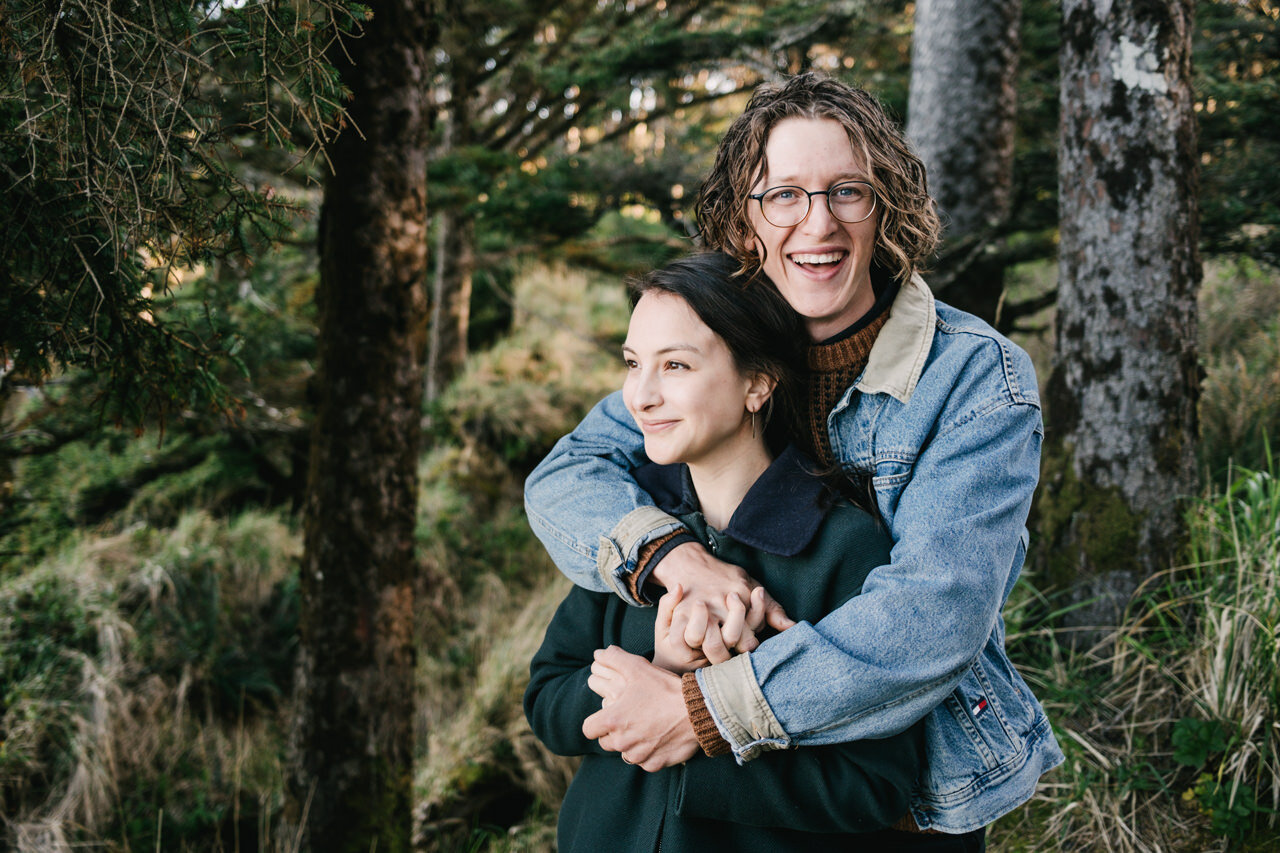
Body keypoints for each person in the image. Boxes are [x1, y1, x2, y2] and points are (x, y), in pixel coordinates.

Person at [523, 71, 1064, 836]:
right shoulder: (718, 351)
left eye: (848, 190)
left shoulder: (976, 377)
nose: (819, 224)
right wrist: (677, 560)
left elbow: (933, 615)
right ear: (744, 220)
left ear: (886, 209)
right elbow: (569, 474)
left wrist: (703, 708)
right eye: (784, 195)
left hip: (902, 788)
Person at [525, 251, 963, 852]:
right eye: (632, 364)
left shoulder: (842, 547)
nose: (640, 396)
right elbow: (548, 699)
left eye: (675, 365)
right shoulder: (634, 528)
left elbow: (873, 786)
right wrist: (655, 664)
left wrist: (696, 728)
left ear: (757, 383)